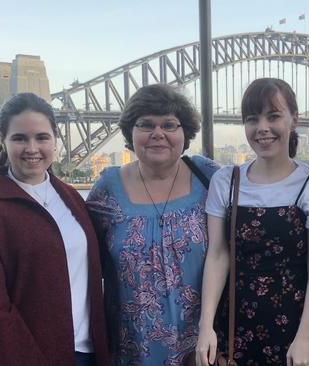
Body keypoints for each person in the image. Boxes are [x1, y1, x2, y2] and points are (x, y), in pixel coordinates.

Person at [0, 93, 109, 366]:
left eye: (41, 137)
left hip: (90, 353)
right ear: (2, 140)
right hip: (29, 357)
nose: (32, 148)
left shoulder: (72, 198)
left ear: (55, 139)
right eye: (19, 138)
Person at [196, 78, 309, 366]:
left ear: (293, 120)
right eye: (252, 119)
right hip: (231, 331)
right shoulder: (227, 180)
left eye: (273, 116)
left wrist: (304, 338)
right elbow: (218, 254)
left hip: (290, 334)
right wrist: (205, 327)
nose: (262, 127)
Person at [86, 84, 220, 366]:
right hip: (130, 350)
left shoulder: (209, 178)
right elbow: (77, 257)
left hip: (201, 350)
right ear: (130, 133)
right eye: (146, 124)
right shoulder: (107, 189)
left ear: (185, 133)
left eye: (169, 124)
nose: (158, 134)